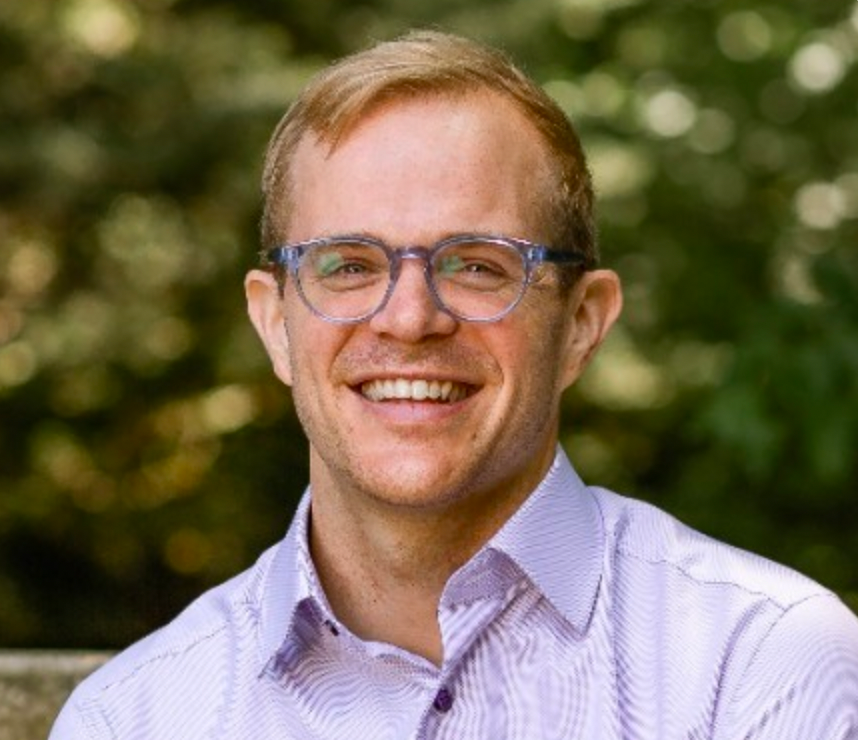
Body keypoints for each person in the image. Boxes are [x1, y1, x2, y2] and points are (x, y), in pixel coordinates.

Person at [50, 30, 858, 739]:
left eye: (476, 264)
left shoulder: (758, 664)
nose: (408, 318)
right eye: (349, 265)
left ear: (581, 323)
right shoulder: (137, 717)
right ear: (274, 324)